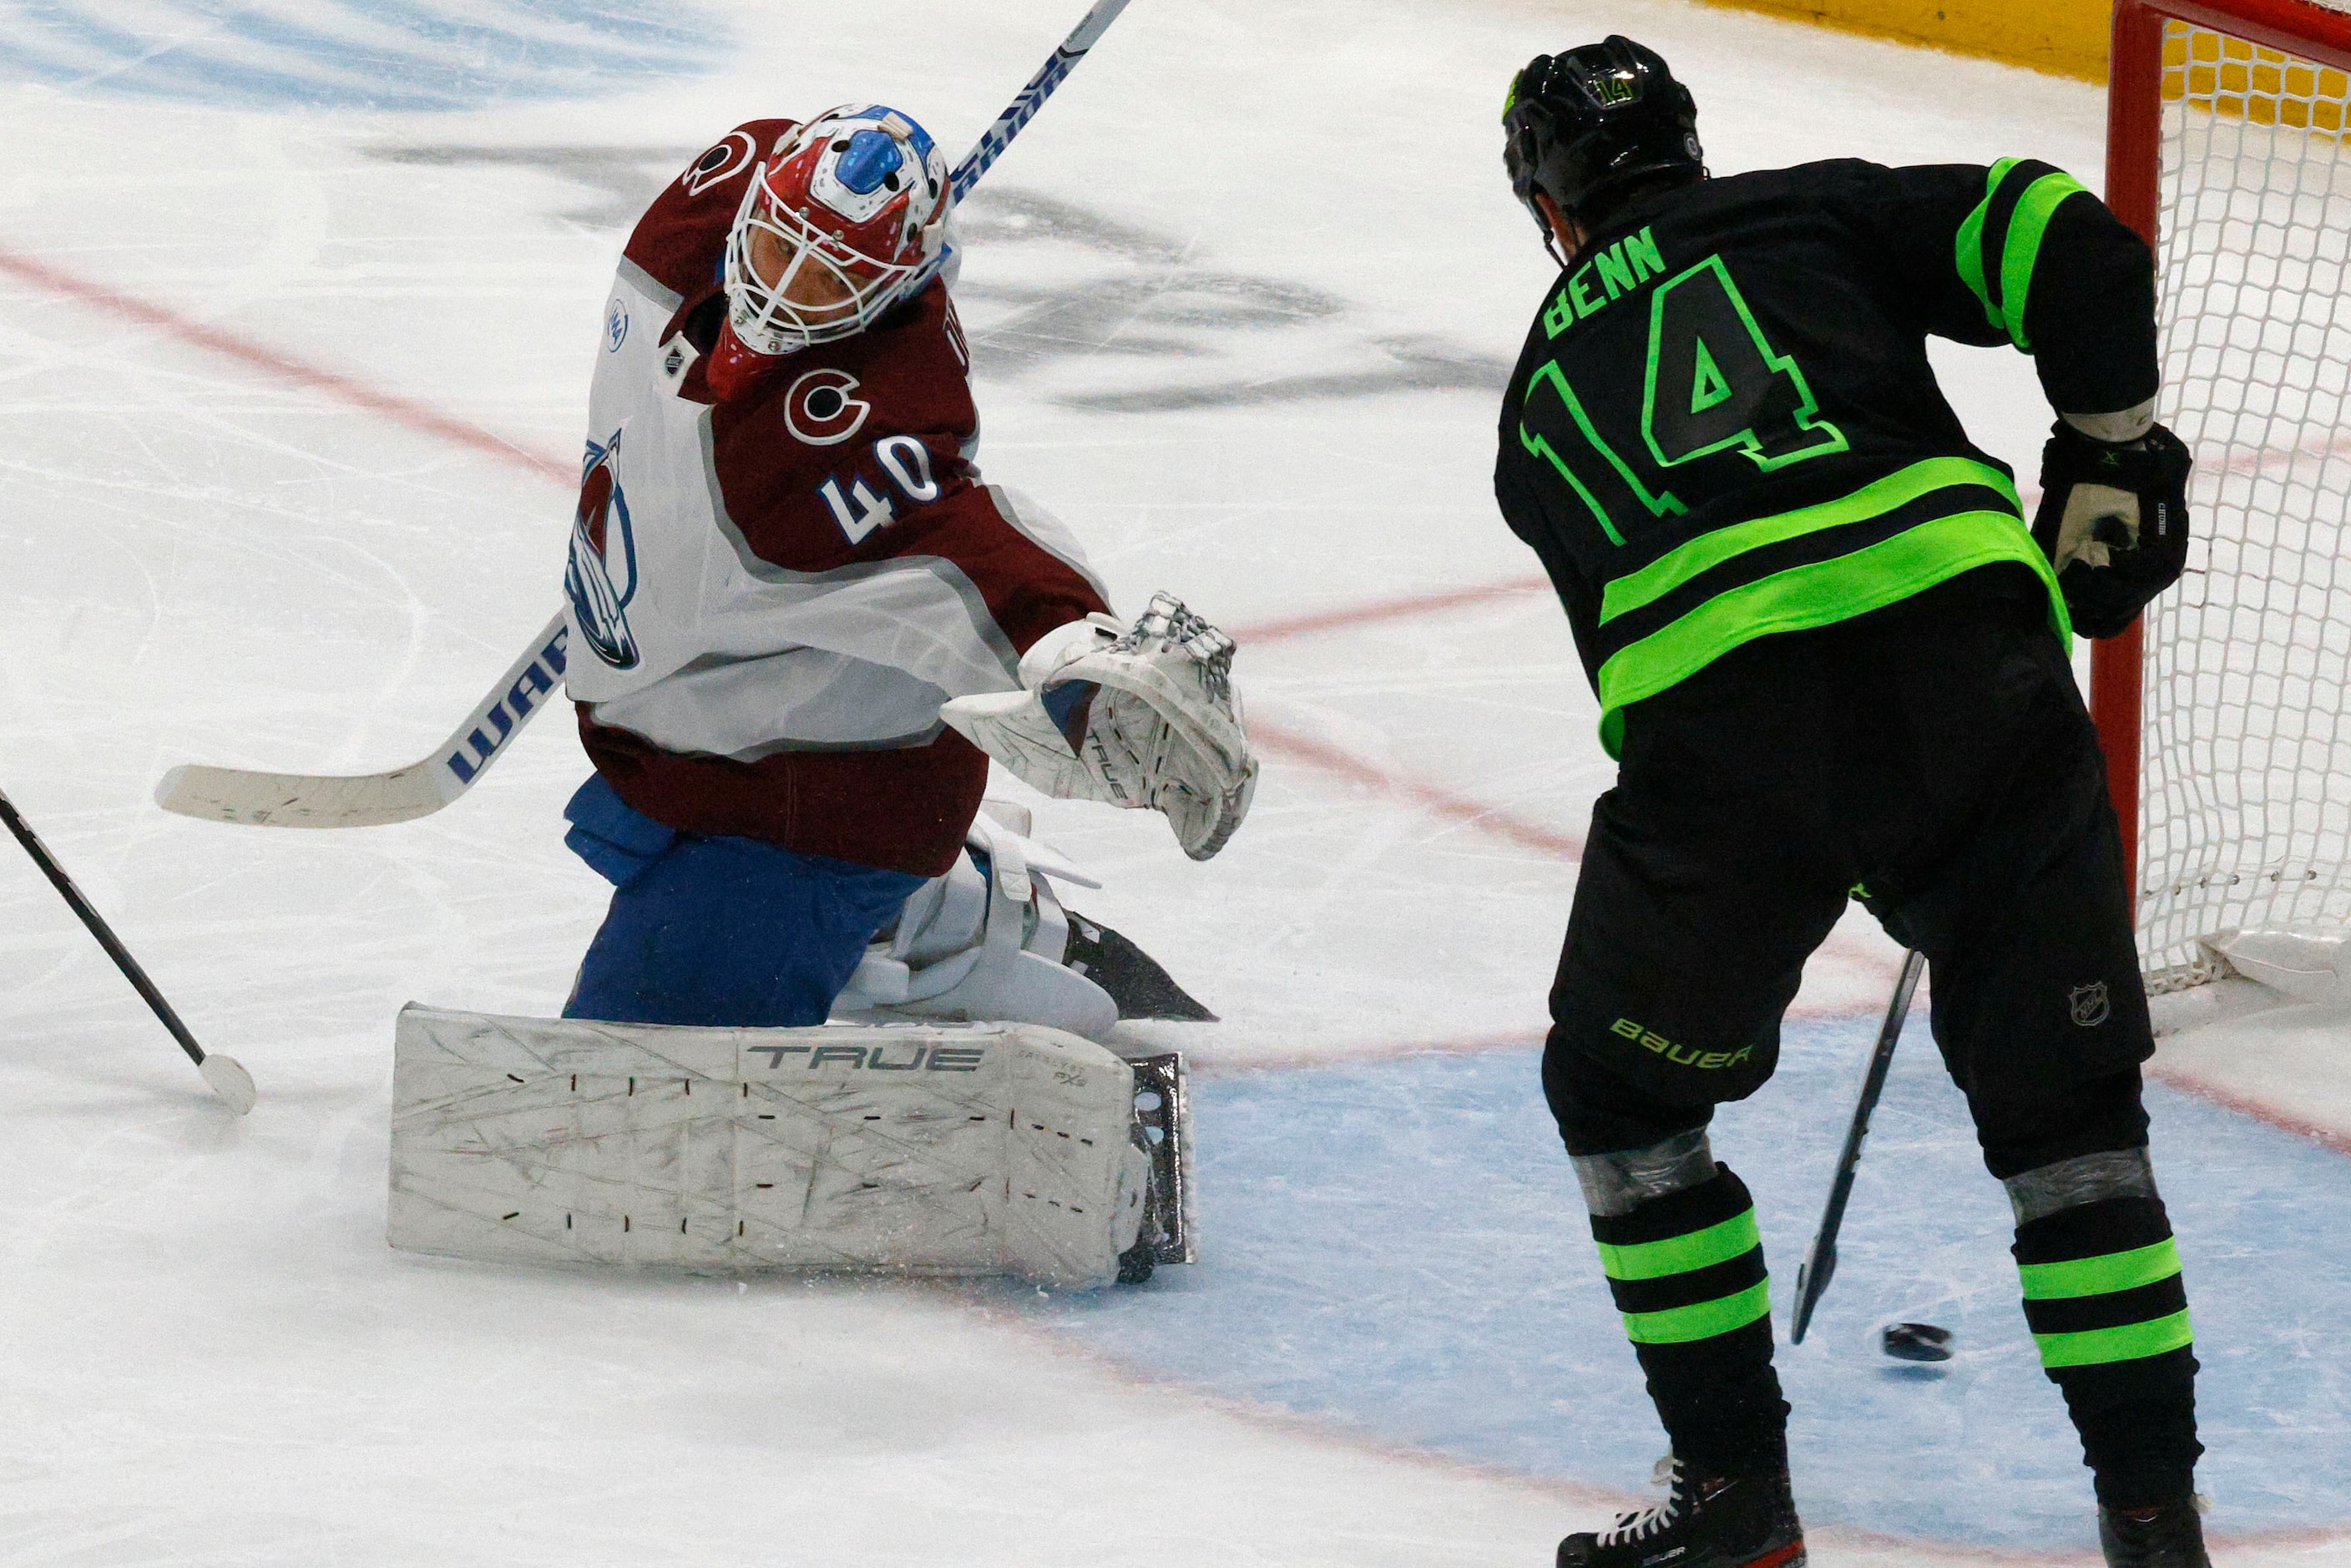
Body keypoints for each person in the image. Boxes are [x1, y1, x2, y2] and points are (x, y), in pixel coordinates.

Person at [1492, 38, 2205, 1568]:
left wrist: (1817, 823)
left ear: (1549, 213)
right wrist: (2110, 450)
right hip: (1978, 677)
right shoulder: (1809, 210)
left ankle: (1737, 1499)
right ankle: (2156, 1529)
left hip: (1730, 748)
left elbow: (1641, 669)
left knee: (1624, 1104)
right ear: (1688, 145)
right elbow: (2073, 243)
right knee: (2070, 1128)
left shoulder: (1536, 401)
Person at [556, 104, 1255, 1034]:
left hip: (807, 803)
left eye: (833, 277)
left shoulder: (853, 436)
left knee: (626, 1095)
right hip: (712, 717)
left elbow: (979, 554)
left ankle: (903, 926)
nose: (787, 292)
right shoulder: (718, 196)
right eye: (775, 250)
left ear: (900, 280)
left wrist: (1084, 666)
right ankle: (914, 919)